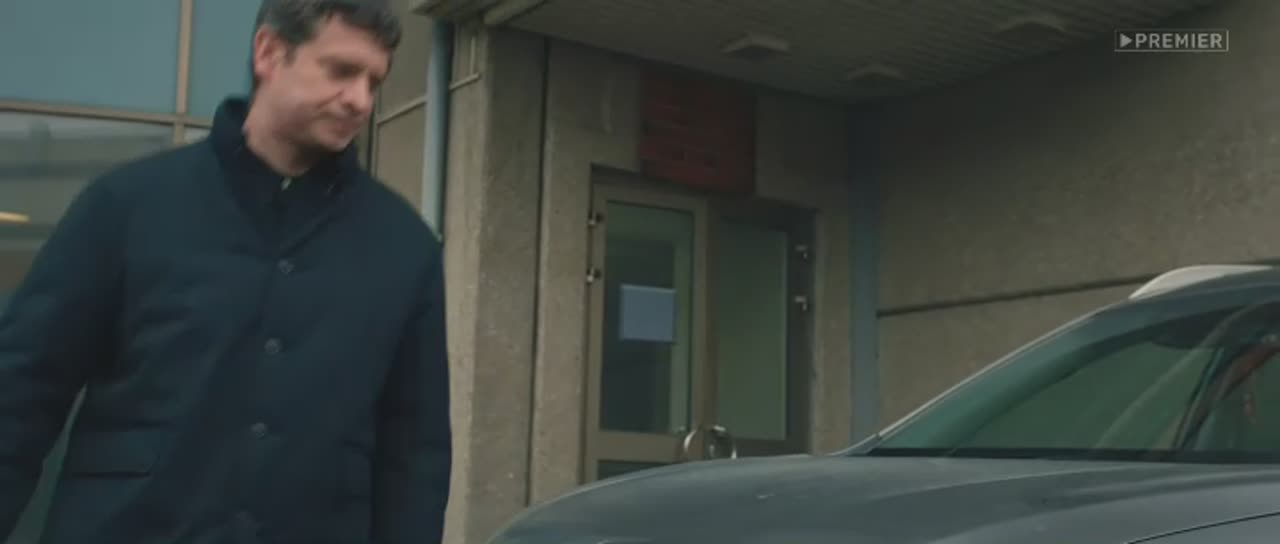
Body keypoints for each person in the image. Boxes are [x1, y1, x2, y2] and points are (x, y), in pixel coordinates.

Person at [0, 0, 452, 542]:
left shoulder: (404, 248)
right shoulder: (126, 207)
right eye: (341, 70)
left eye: (374, 81)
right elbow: (21, 392)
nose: (360, 99)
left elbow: (415, 458)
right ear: (269, 52)